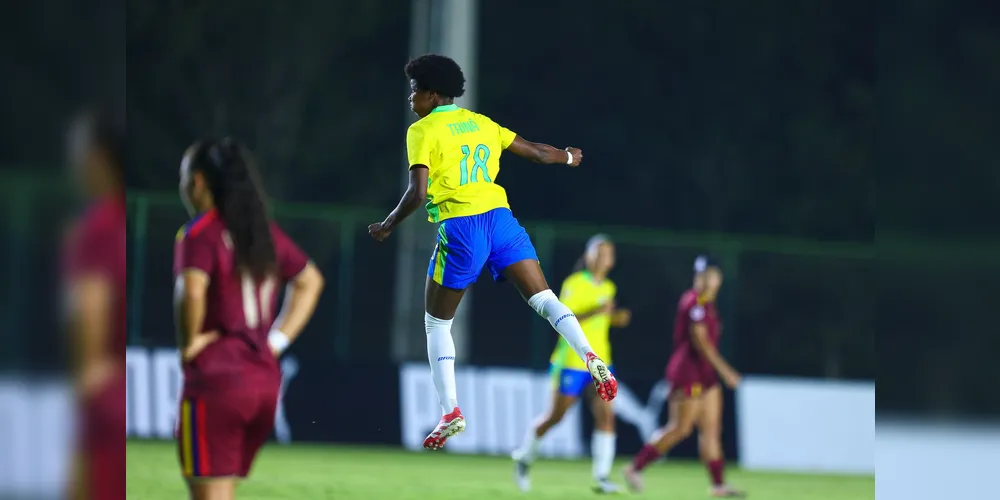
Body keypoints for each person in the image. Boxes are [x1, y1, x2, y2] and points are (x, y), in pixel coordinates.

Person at [368, 54, 617, 450]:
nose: (411, 98)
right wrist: (568, 157)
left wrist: (387, 225)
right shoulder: (481, 123)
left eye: (415, 91)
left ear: (433, 95)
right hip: (501, 221)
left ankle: (450, 410)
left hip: (462, 227)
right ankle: (589, 355)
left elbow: (417, 193)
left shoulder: (422, 129)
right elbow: (534, 151)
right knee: (546, 299)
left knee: (437, 325)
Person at [174, 138, 324, 500]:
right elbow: (310, 280)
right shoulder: (260, 233)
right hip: (262, 382)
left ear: (197, 181)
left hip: (219, 380)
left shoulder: (199, 233)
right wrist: (276, 342)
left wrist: (189, 342)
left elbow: (192, 291)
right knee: (223, 490)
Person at [512, 235, 632, 493]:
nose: (603, 258)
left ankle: (601, 477)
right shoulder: (575, 283)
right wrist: (599, 311)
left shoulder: (608, 287)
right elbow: (564, 318)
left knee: (606, 417)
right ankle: (524, 457)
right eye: (599, 253)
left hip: (602, 362)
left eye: (608, 254)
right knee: (556, 417)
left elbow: (601, 321)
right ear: (588, 256)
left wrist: (615, 318)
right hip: (571, 362)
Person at [623, 256, 745, 497]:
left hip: (706, 375)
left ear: (719, 279)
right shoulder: (694, 302)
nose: (705, 280)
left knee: (711, 431)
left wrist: (716, 373)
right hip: (687, 374)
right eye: (700, 276)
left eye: (710, 275)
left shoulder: (709, 304)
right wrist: (726, 371)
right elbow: (701, 343)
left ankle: (718, 484)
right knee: (680, 428)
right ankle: (635, 468)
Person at [64, 108, 126, 500]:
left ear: (97, 156)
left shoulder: (98, 227)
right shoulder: (120, 221)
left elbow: (91, 320)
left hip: (104, 402)